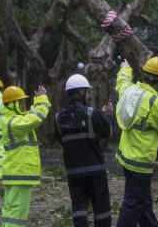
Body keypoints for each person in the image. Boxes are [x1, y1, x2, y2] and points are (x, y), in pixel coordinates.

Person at [115, 57, 158, 227]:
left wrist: (126, 68)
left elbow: (122, 82)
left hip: (125, 157)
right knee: (133, 203)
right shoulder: (154, 101)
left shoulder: (130, 91)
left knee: (143, 202)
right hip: (141, 161)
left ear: (143, 74)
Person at [54, 74, 114, 227]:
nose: (89, 95)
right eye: (87, 91)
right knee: (102, 209)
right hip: (95, 170)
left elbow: (60, 140)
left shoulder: (58, 117)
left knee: (79, 209)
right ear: (81, 91)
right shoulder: (90, 112)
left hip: (73, 171)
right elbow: (108, 132)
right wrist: (107, 116)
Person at [0, 84, 51, 227]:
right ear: (12, 104)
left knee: (11, 211)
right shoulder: (13, 123)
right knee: (17, 213)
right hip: (19, 173)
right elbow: (35, 118)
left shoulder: (11, 120)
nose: (23, 105)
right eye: (20, 102)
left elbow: (29, 116)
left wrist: (37, 101)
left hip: (15, 172)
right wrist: (42, 100)